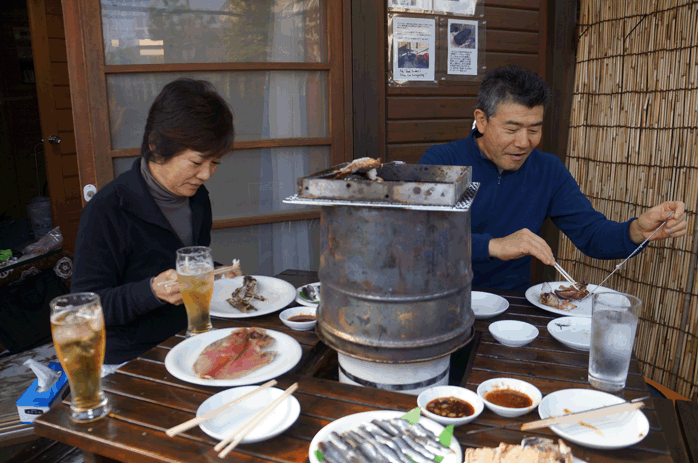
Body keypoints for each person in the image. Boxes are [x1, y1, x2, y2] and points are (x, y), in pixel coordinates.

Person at [419, 65, 687, 291]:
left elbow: (592, 235)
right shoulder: (443, 161)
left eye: (534, 129)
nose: (524, 142)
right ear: (482, 120)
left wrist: (636, 231)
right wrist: (494, 245)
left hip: (512, 312)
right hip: (443, 300)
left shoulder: (548, 169)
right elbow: (424, 237)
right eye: (512, 129)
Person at [71, 78, 236, 364]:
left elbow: (185, 263)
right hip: (130, 356)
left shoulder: (197, 199)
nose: (207, 174)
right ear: (156, 146)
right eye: (197, 163)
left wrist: (221, 272)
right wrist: (150, 292)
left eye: (215, 163)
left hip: (187, 338)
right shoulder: (107, 210)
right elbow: (84, 310)